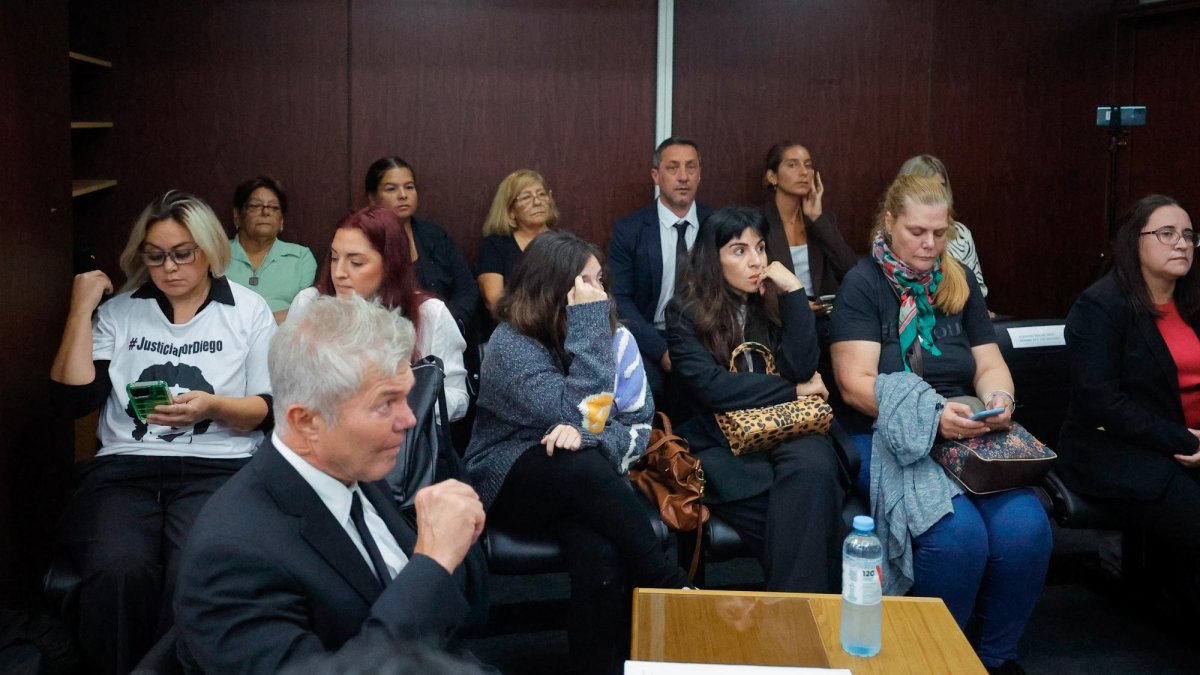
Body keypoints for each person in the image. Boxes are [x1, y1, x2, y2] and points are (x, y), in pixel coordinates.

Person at [174, 295, 487, 673]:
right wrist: (432, 563)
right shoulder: (231, 555)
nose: (409, 419)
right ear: (306, 421)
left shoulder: (353, 470)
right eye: (385, 404)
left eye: (407, 397)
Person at [830, 176, 1050, 675]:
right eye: (917, 232)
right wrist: (931, 417)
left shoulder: (958, 280)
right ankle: (937, 660)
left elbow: (989, 363)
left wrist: (999, 398)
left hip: (965, 424)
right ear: (889, 224)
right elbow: (854, 384)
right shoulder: (863, 284)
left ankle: (994, 658)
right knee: (957, 537)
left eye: (939, 232)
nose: (930, 244)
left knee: (1027, 528)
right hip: (887, 432)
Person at [49, 191, 275, 674]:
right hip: (124, 473)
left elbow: (267, 411)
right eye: (155, 256)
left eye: (182, 254)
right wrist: (81, 309)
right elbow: (71, 402)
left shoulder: (247, 310)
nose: (169, 267)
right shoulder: (122, 312)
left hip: (217, 468)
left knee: (194, 566)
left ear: (209, 250)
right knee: (117, 568)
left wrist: (212, 406)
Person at [464, 231, 690, 675]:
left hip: (586, 481)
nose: (598, 291)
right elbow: (585, 413)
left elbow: (636, 428)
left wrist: (590, 438)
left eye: (599, 279)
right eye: (586, 281)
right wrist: (588, 325)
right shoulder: (510, 344)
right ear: (553, 288)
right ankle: (666, 581)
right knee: (576, 463)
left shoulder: (613, 339)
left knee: (601, 554)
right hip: (509, 474)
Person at [666, 206, 846, 592]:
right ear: (713, 259)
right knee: (809, 523)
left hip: (790, 431)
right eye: (739, 250)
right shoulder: (684, 312)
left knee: (814, 465)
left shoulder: (772, 301)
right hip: (723, 446)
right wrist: (792, 391)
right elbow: (714, 388)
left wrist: (794, 293)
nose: (756, 261)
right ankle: (808, 617)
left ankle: (792, 616)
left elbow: (801, 367)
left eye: (760, 248)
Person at [1058, 195, 1200, 563]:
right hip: (1117, 451)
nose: (1182, 243)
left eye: (1188, 235)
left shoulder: (1193, 301)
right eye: (1167, 233)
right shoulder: (1101, 305)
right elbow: (1101, 402)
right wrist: (1184, 440)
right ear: (1134, 241)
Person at [288, 206, 469, 422]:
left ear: (390, 265)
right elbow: (285, 383)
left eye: (356, 262)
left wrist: (402, 398)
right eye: (334, 258)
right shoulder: (309, 303)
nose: (339, 273)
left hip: (399, 434)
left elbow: (458, 398)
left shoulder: (429, 313)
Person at [609, 137, 714, 410]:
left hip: (704, 335)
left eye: (691, 167)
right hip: (649, 335)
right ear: (656, 176)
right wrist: (660, 349)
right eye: (673, 168)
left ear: (700, 174)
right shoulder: (630, 230)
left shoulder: (716, 225)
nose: (683, 177)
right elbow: (619, 299)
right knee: (650, 390)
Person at [365, 157, 478, 331]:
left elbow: (467, 290)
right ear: (373, 198)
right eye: (391, 189)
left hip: (445, 332)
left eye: (409, 187)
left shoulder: (435, 236)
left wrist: (446, 325)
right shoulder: (363, 241)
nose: (403, 195)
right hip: (387, 336)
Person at [761, 141, 857, 301]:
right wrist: (800, 304)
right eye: (792, 165)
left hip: (824, 310)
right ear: (772, 177)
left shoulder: (822, 220)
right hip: (781, 311)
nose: (804, 172)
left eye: (808, 165)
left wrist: (817, 219)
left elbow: (851, 270)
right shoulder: (759, 221)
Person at [224, 175, 318, 324]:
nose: (265, 212)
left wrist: (256, 326)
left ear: (281, 220)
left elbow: (305, 313)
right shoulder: (216, 255)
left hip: (283, 337)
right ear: (237, 215)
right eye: (255, 206)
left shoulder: (301, 257)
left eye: (274, 207)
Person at [897, 155, 988, 297]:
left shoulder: (961, 234)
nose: (937, 195)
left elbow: (979, 291)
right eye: (928, 188)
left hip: (957, 307)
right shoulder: (891, 238)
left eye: (941, 187)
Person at [476, 169, 558, 313]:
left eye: (542, 194)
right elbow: (494, 300)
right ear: (510, 211)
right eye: (526, 197)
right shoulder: (495, 246)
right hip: (514, 323)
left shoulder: (566, 244)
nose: (537, 202)